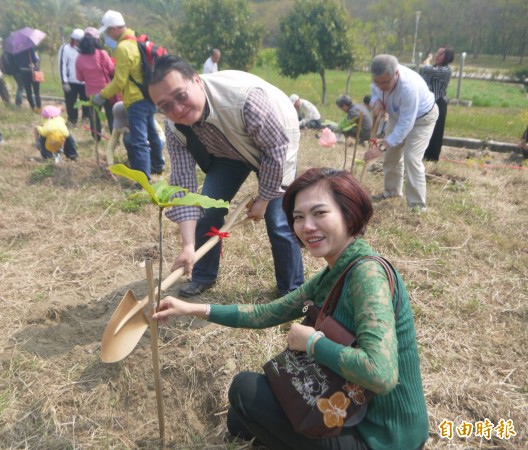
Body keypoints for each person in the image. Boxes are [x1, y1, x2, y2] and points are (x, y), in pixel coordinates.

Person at [152, 167, 429, 450]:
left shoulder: (367, 275)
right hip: (351, 411)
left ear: (349, 213)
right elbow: (267, 313)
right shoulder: (336, 271)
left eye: (320, 213)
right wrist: (190, 308)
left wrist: (312, 343)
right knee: (238, 419)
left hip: (383, 438)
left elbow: (380, 375)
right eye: (298, 217)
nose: (307, 226)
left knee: (244, 390)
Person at [148, 55, 304, 298]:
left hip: (277, 141)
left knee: (278, 221)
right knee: (206, 210)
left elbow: (275, 150)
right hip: (227, 151)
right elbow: (183, 184)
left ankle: (292, 291)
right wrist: (188, 246)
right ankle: (203, 275)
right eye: (165, 106)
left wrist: (263, 200)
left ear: (197, 81)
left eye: (181, 96)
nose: (177, 109)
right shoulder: (173, 126)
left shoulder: (244, 100)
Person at [93, 10, 165, 179]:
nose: (109, 35)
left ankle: (142, 180)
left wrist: (102, 95)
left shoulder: (123, 48)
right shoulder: (138, 39)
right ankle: (158, 165)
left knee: (139, 141)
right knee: (152, 133)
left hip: (135, 99)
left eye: (109, 31)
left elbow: (119, 82)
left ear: (114, 29)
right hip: (149, 96)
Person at [363, 54, 437, 212]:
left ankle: (417, 206)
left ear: (396, 73)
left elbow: (406, 125)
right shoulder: (379, 79)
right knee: (391, 156)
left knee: (412, 158)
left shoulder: (408, 87)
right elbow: (375, 93)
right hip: (397, 117)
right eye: (378, 82)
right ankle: (392, 192)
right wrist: (375, 102)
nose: (381, 86)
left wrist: (381, 148)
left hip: (422, 119)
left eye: (386, 82)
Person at [75, 29, 115, 140]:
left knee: (94, 116)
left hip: (91, 93)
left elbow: (79, 78)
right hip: (107, 90)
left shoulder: (79, 59)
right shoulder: (102, 54)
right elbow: (111, 69)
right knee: (110, 115)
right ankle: (115, 139)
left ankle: (96, 138)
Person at [421, 46, 454, 161]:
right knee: (425, 129)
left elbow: (428, 70)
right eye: (437, 53)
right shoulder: (433, 67)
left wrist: (427, 62)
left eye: (440, 54)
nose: (436, 55)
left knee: (436, 131)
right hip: (427, 103)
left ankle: (432, 157)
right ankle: (423, 154)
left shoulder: (446, 70)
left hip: (439, 102)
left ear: (446, 57)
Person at [58, 28, 90, 126]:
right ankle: (72, 120)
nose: (79, 43)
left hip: (84, 81)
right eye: (77, 41)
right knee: (71, 102)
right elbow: (62, 65)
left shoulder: (86, 49)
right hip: (71, 81)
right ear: (73, 40)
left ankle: (86, 118)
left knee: (86, 102)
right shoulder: (65, 48)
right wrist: (64, 81)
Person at [13, 46, 42, 113]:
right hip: (32, 71)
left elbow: (15, 60)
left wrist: (22, 64)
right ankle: (39, 108)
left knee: (28, 91)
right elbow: (34, 59)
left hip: (23, 71)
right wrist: (36, 58)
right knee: (36, 91)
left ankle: (33, 107)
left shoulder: (17, 49)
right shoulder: (29, 47)